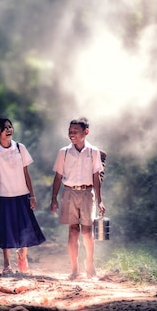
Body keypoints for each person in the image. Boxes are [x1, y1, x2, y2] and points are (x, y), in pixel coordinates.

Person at [0, 118, 46, 275]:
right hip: (5, 197)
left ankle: (22, 257)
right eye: (4, 128)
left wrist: (32, 196)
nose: (9, 129)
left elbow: (26, 173)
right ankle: (6, 264)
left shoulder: (20, 148)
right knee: (6, 229)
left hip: (22, 195)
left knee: (24, 228)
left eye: (10, 126)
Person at [50, 117, 106, 280]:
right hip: (69, 193)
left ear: (86, 132)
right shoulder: (64, 152)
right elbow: (58, 176)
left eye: (75, 131)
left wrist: (100, 199)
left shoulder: (93, 152)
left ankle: (90, 263)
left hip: (88, 193)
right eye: (70, 131)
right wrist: (54, 198)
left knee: (88, 231)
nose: (71, 134)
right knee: (73, 231)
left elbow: (96, 177)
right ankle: (74, 269)